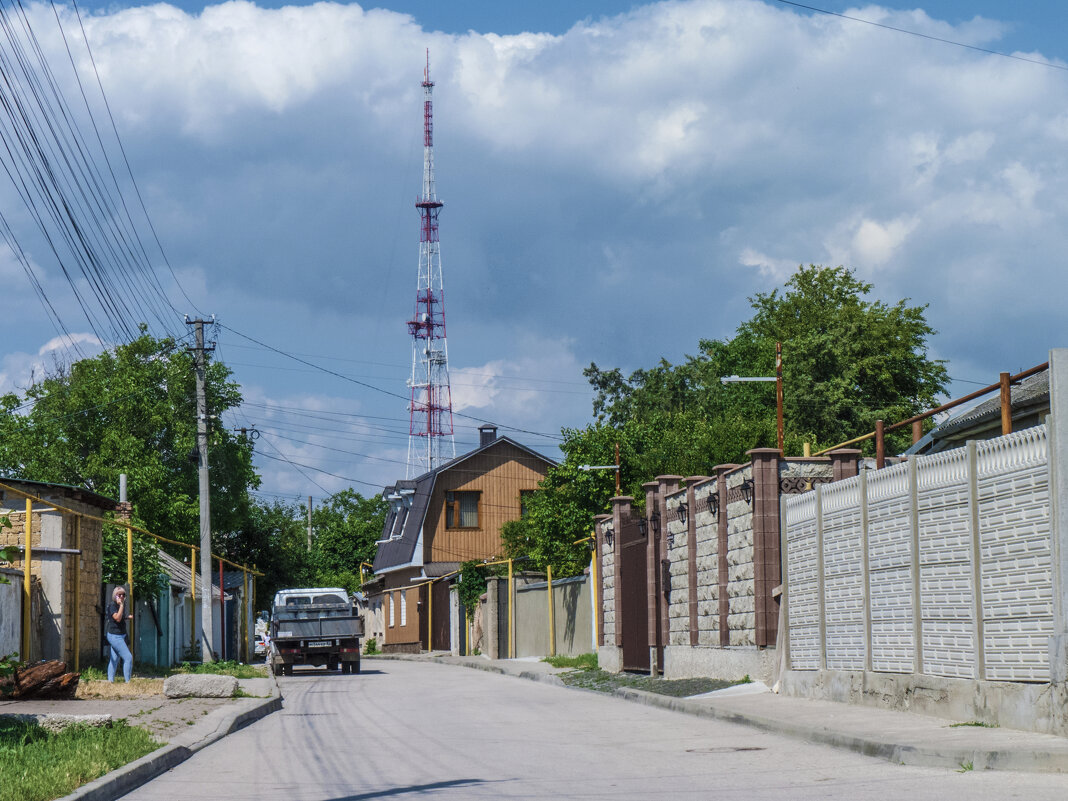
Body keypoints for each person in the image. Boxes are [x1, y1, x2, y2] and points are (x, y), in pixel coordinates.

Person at [105, 585, 134, 682]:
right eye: (119, 595)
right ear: (115, 596)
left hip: (121, 635)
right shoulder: (113, 605)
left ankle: (110, 681)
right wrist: (121, 605)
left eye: (123, 595)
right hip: (114, 636)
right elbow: (117, 618)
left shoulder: (120, 605)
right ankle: (128, 682)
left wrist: (127, 617)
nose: (121, 596)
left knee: (115, 658)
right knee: (128, 657)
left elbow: (121, 617)